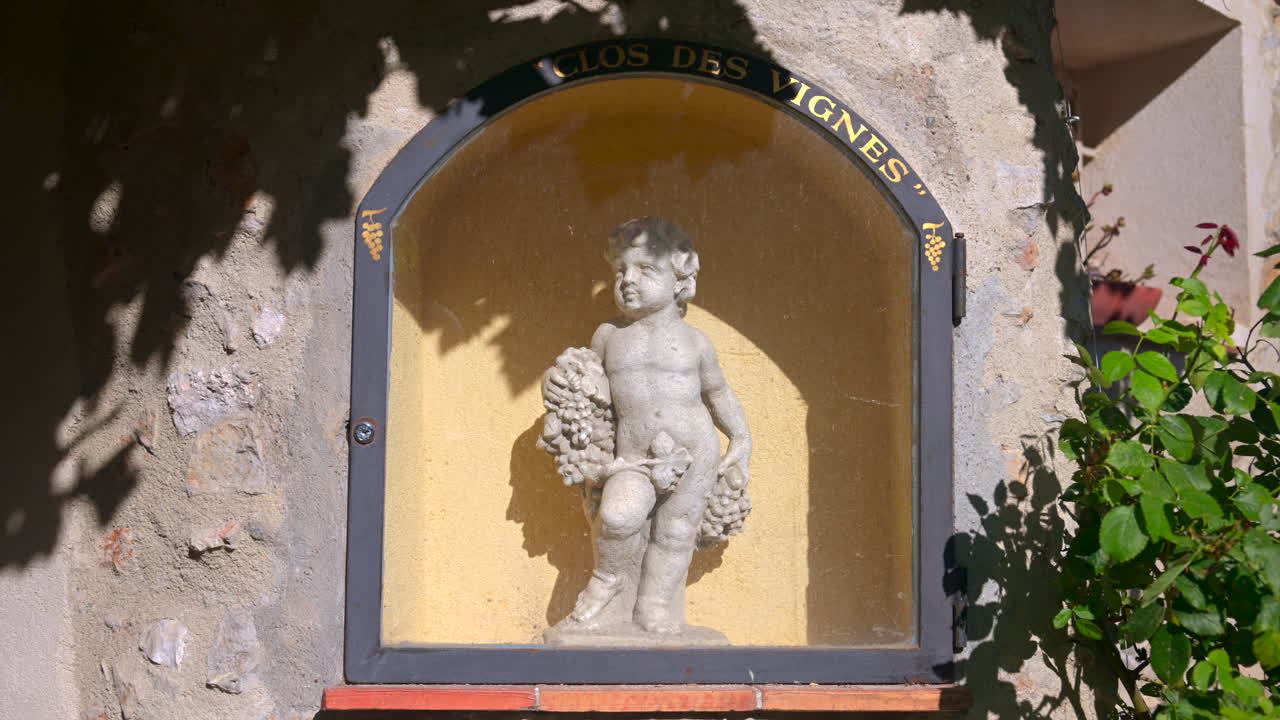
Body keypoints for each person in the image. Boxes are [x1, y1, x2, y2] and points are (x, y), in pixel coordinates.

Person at [547, 216, 751, 634]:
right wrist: (562, 382)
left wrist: (742, 438)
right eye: (621, 270)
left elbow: (717, 394)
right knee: (619, 519)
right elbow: (588, 388)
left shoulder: (696, 342)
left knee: (676, 533)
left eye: (646, 270)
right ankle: (607, 582)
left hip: (696, 451)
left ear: (679, 280)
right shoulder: (608, 336)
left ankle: (654, 605)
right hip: (635, 456)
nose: (629, 280)